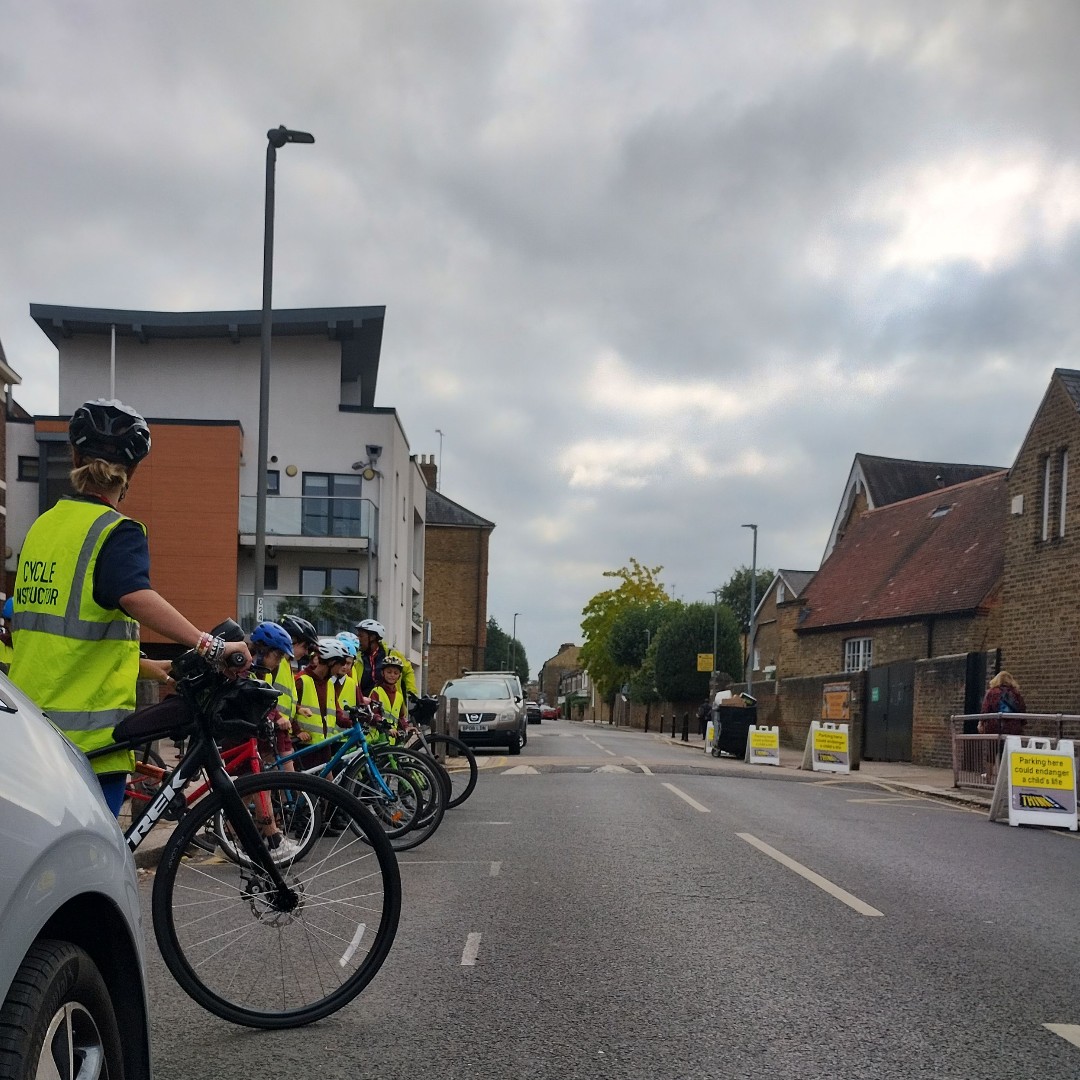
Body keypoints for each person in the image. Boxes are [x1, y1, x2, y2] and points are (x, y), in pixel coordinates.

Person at [9, 399, 252, 816]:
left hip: (28, 731)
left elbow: (67, 635)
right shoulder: (116, 532)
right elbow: (133, 596)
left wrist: (153, 667)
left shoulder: (42, 527)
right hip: (87, 742)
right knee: (94, 864)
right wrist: (209, 645)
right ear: (132, 473)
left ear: (74, 456)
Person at [355, 618, 417, 699]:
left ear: (372, 637)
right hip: (364, 706)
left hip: (390, 703)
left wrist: (411, 692)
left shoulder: (392, 654)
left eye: (361, 636)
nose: (358, 639)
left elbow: (408, 671)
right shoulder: (358, 658)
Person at [979, 671, 1027, 737]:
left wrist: (981, 722)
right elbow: (1022, 709)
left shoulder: (992, 692)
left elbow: (986, 708)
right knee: (1010, 746)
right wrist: (1021, 723)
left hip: (994, 726)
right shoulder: (1016, 693)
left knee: (994, 746)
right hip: (1013, 726)